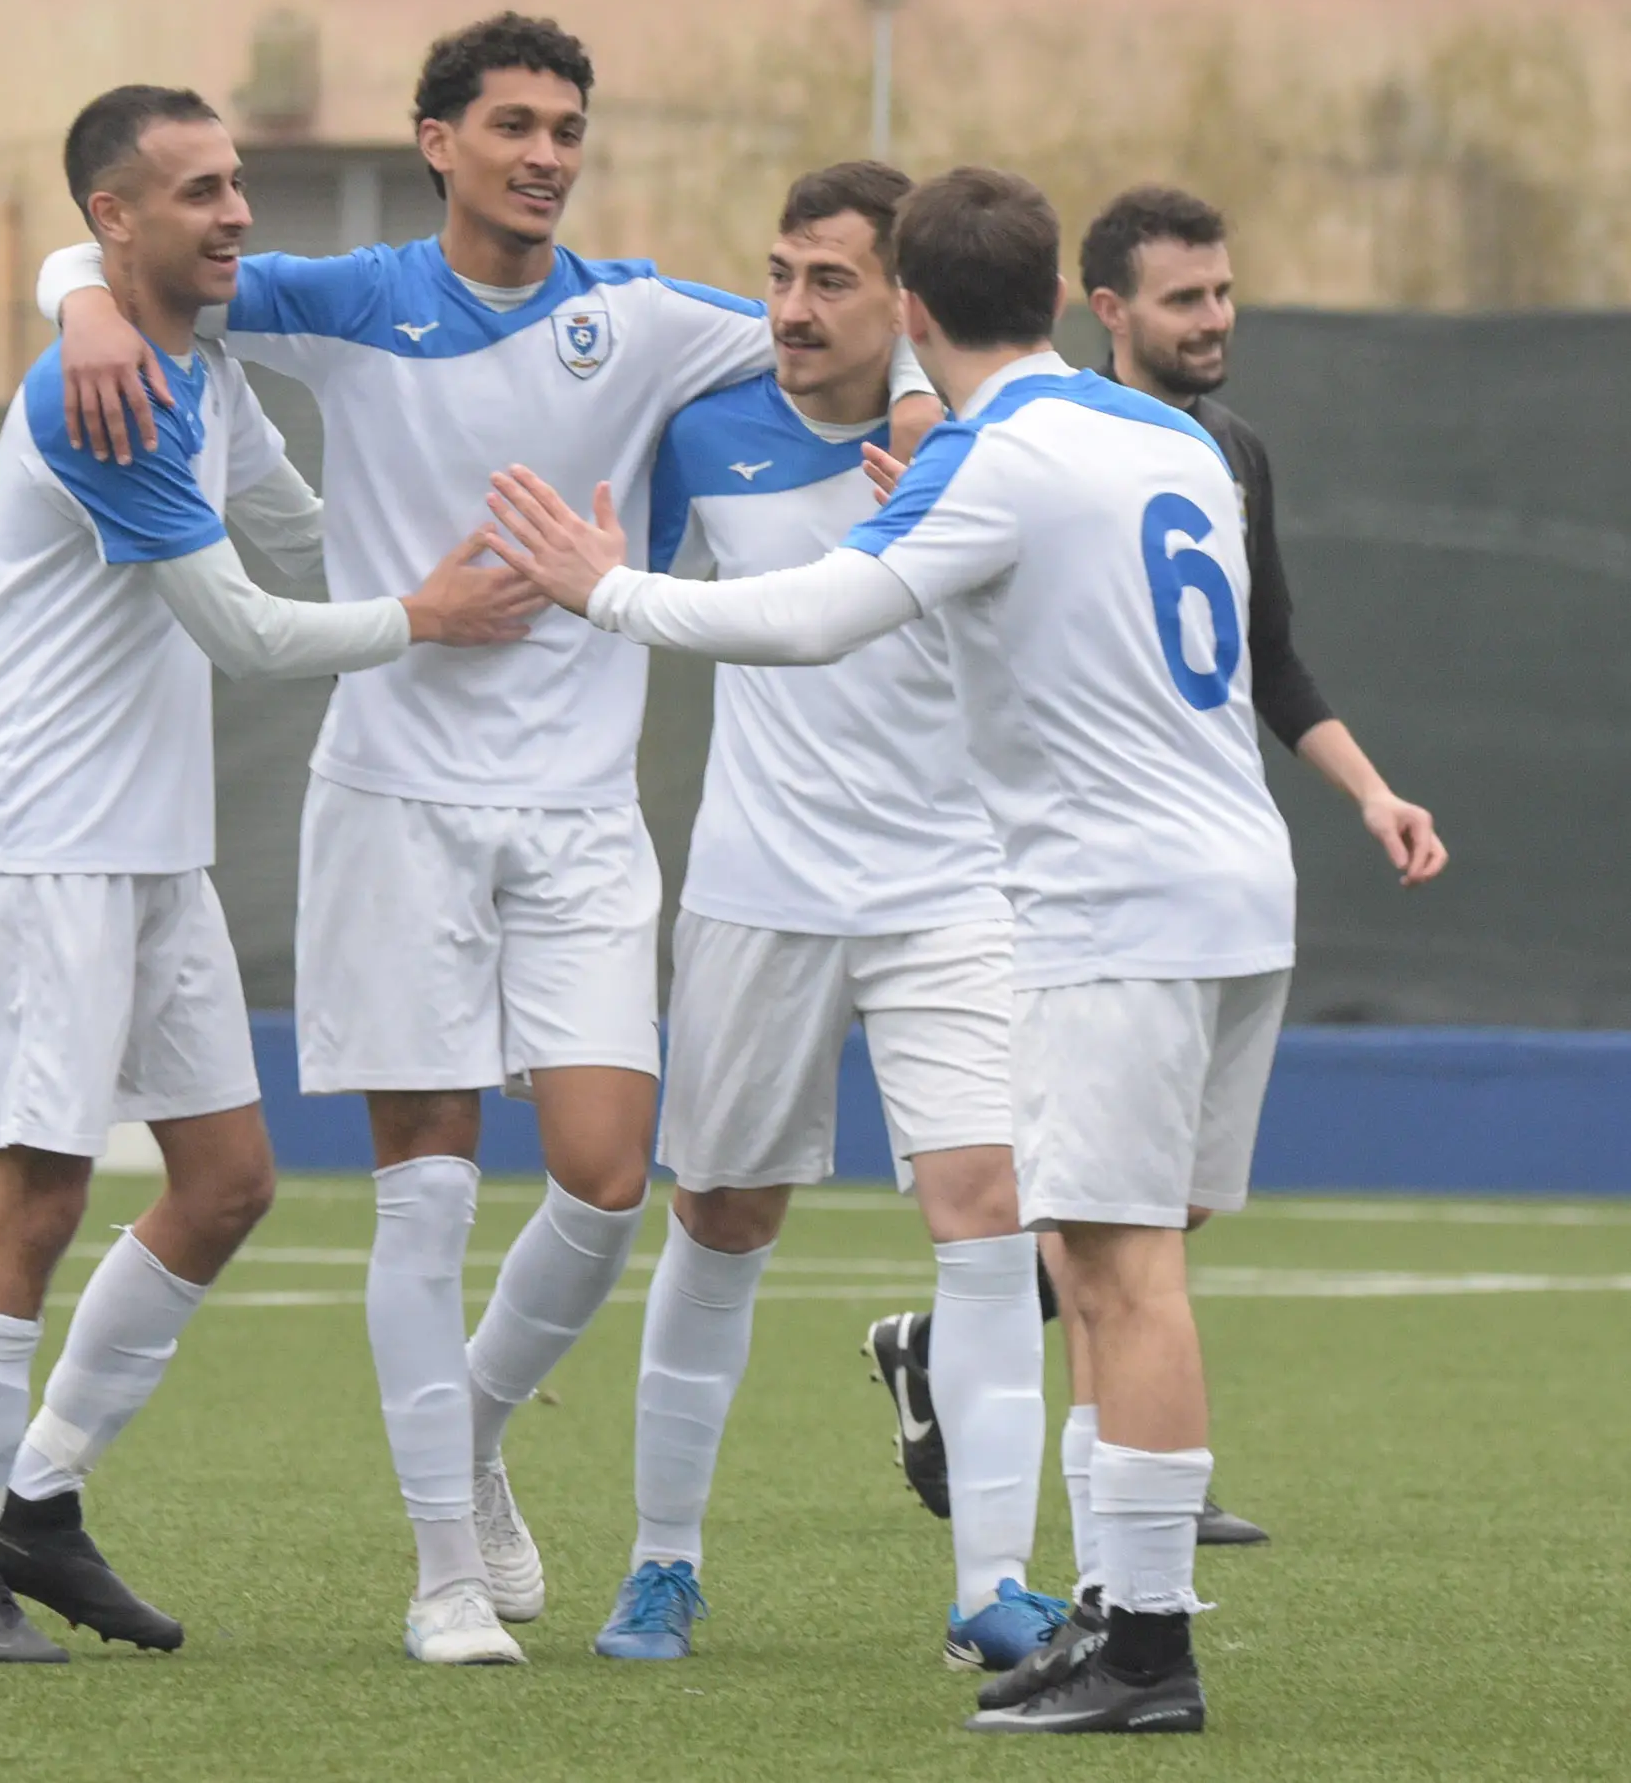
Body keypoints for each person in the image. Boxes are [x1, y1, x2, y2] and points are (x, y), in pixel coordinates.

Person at [38, 14, 941, 1666]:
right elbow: (141, 255)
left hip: (588, 817)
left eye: (566, 128)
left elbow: (862, 326)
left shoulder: (649, 319)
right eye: (512, 125)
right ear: (436, 139)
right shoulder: (350, 301)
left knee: (605, 1179)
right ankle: (446, 1569)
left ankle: (464, 1437)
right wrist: (75, 295)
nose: (544, 154)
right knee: (426, 1198)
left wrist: (940, 418)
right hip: (395, 806)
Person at [483, 166, 1291, 1732]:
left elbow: (815, 617)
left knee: (1109, 1270)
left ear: (911, 309)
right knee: (1125, 1262)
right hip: (1234, 883)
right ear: (1063, 295)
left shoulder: (989, 454)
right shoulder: (1169, 433)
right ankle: (1113, 1619)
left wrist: (601, 588)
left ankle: (1137, 1650)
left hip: (1106, 904)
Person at [0, 86, 536, 1663]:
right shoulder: (88, 396)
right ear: (118, 219)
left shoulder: (194, 364)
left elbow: (301, 529)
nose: (240, 212)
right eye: (199, 191)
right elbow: (247, 630)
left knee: (228, 1181)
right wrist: (427, 619)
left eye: (240, 181)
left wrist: (469, 571)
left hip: (148, 843)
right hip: (39, 840)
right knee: (38, 1190)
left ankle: (39, 1498)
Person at [859, 184, 1449, 1565]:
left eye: (1227, 292)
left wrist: (1371, 791)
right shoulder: (1001, 444)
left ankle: (964, 1369)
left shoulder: (1223, 448)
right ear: (1102, 310)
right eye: (1187, 298)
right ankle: (1130, 1552)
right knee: (1113, 1235)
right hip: (1073, 873)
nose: (1216, 320)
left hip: (1190, 872)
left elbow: (1266, 658)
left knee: (1135, 1223)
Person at [585, 161, 1058, 1674]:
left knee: (986, 1214)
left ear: (906, 303)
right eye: (780, 274)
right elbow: (620, 591)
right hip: (757, 888)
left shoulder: (993, 447)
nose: (792, 308)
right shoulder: (702, 428)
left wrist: (930, 430)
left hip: (950, 888)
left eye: (830, 281)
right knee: (722, 1213)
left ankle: (994, 1583)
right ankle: (663, 1560)